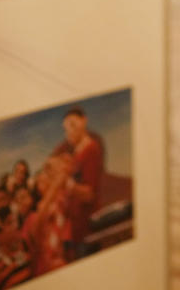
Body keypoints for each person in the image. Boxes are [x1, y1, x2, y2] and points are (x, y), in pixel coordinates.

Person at [52, 107, 103, 259]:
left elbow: (89, 194)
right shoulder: (76, 154)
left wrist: (66, 184)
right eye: (66, 128)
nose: (69, 132)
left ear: (84, 121)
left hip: (87, 229)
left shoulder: (91, 149)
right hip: (77, 230)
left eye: (73, 125)